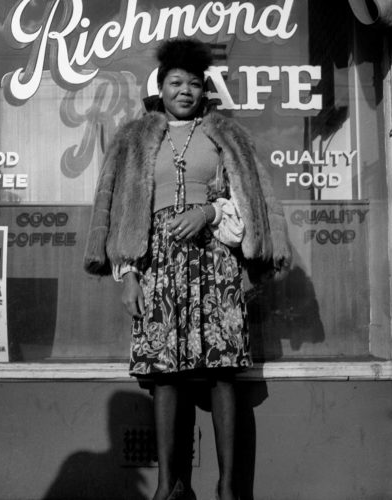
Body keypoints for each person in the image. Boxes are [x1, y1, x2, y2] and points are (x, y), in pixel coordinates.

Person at [84, 38, 291, 500]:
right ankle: (168, 486)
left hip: (215, 264)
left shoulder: (228, 137)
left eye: (194, 83)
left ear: (204, 90)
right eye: (176, 82)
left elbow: (250, 202)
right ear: (161, 87)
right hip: (156, 265)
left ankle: (228, 487)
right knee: (164, 376)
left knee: (222, 374)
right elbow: (121, 210)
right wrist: (128, 274)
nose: (186, 90)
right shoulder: (134, 138)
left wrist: (210, 213)